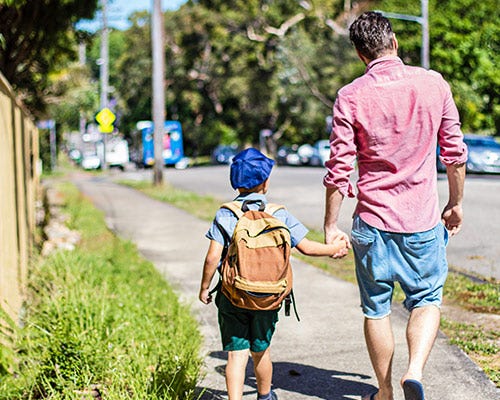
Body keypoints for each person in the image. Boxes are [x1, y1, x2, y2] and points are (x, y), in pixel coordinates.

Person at [323, 11, 467, 400]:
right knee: (426, 301)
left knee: (376, 310)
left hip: (372, 223)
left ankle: (385, 391)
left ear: (359, 54)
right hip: (421, 221)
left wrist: (330, 225)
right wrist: (454, 204)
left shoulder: (349, 96)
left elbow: (339, 169)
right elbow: (454, 155)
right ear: (395, 44)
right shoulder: (433, 84)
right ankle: (414, 372)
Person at [200, 148, 348, 400]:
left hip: (233, 294)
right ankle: (265, 396)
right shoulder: (278, 214)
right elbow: (306, 248)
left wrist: (204, 287)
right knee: (261, 351)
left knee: (237, 355)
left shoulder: (226, 214)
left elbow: (213, 257)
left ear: (234, 183)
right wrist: (335, 248)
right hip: (268, 297)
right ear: (265, 183)